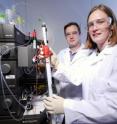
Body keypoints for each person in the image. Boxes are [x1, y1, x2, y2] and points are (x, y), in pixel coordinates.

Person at [43, 4, 117, 124]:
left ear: (111, 25)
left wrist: (67, 106)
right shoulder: (94, 56)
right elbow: (77, 76)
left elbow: (113, 108)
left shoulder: (113, 55)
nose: (95, 28)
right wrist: (56, 63)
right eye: (91, 24)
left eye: (100, 22)